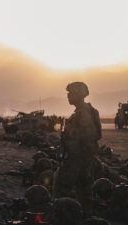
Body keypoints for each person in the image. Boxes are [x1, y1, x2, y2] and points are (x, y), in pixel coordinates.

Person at [52, 82, 102, 214]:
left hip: (77, 158)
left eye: (71, 93)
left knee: (63, 188)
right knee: (83, 190)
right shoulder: (80, 112)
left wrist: (72, 141)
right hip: (80, 157)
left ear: (79, 95)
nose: (68, 96)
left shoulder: (83, 113)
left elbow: (90, 134)